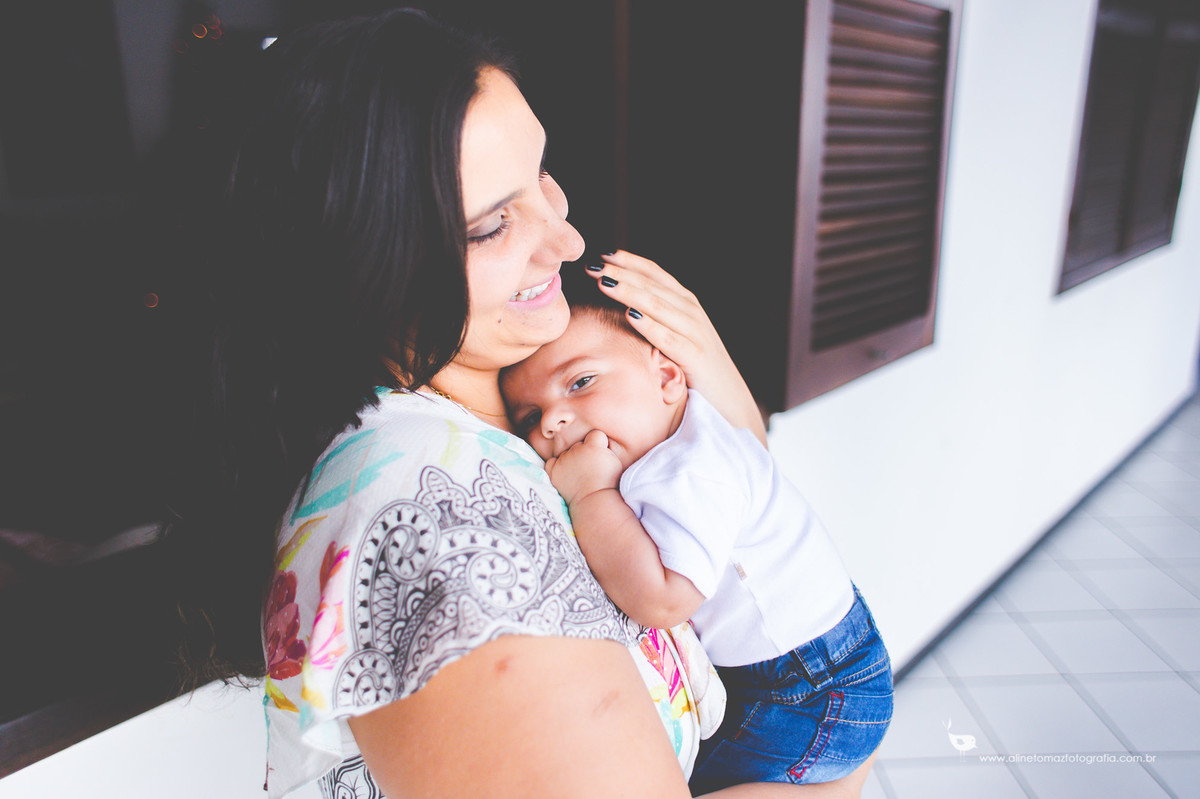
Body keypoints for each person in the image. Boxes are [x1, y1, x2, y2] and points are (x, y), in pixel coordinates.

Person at [169, 7, 881, 798]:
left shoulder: (517, 416)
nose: (566, 242)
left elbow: (741, 525)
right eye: (491, 226)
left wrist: (710, 384)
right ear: (358, 266)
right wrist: (829, 780)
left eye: (542, 176)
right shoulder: (445, 521)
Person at [500, 296, 894, 794]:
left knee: (683, 783)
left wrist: (590, 493)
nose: (552, 422)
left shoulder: (690, 469)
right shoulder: (680, 438)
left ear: (667, 378)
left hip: (808, 693)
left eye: (580, 382)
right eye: (529, 415)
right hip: (828, 666)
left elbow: (662, 601)